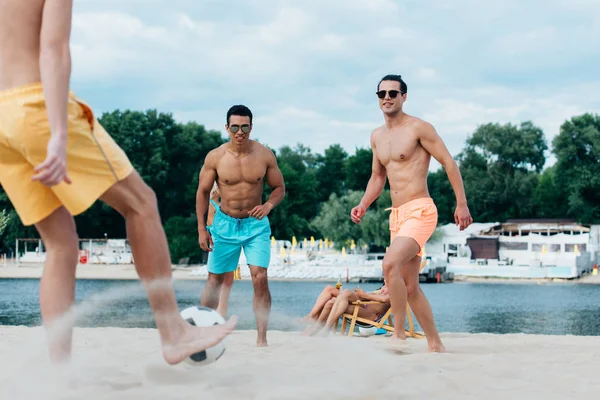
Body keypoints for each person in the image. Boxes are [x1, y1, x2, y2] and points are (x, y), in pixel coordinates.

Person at [0, 0, 235, 365]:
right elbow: (53, 48)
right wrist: (59, 133)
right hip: (35, 105)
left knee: (60, 244)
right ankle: (173, 333)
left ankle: (59, 374)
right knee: (141, 203)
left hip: (2, 120)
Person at [350, 74, 473, 353]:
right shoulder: (376, 136)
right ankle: (435, 344)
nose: (387, 98)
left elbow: (449, 163)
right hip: (397, 215)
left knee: (389, 265)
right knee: (410, 285)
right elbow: (377, 177)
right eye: (382, 94)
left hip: (421, 210)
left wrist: (461, 204)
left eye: (393, 93)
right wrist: (363, 203)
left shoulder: (419, 128)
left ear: (404, 96)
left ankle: (400, 333)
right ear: (378, 98)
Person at [196, 104, 285, 347]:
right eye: (234, 126)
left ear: (251, 127)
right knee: (214, 280)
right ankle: (204, 333)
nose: (240, 132)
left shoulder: (265, 155)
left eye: (244, 126)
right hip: (224, 224)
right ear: (227, 127)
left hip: (255, 225)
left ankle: (261, 339)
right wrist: (202, 229)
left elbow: (279, 188)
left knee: (260, 278)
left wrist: (267, 206)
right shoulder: (216, 157)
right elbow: (203, 192)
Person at [307, 284, 390, 336]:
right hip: (362, 307)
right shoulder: (380, 292)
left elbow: (384, 300)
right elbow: (366, 297)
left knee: (334, 300)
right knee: (333, 300)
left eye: (387, 286)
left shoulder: (395, 294)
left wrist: (365, 295)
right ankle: (317, 326)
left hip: (371, 316)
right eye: (384, 284)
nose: (383, 288)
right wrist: (362, 294)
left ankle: (325, 328)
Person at [206, 182, 236, 318]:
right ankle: (214, 312)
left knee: (228, 276)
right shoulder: (214, 199)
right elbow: (210, 218)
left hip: (231, 234)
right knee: (215, 277)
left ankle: (221, 312)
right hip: (218, 235)